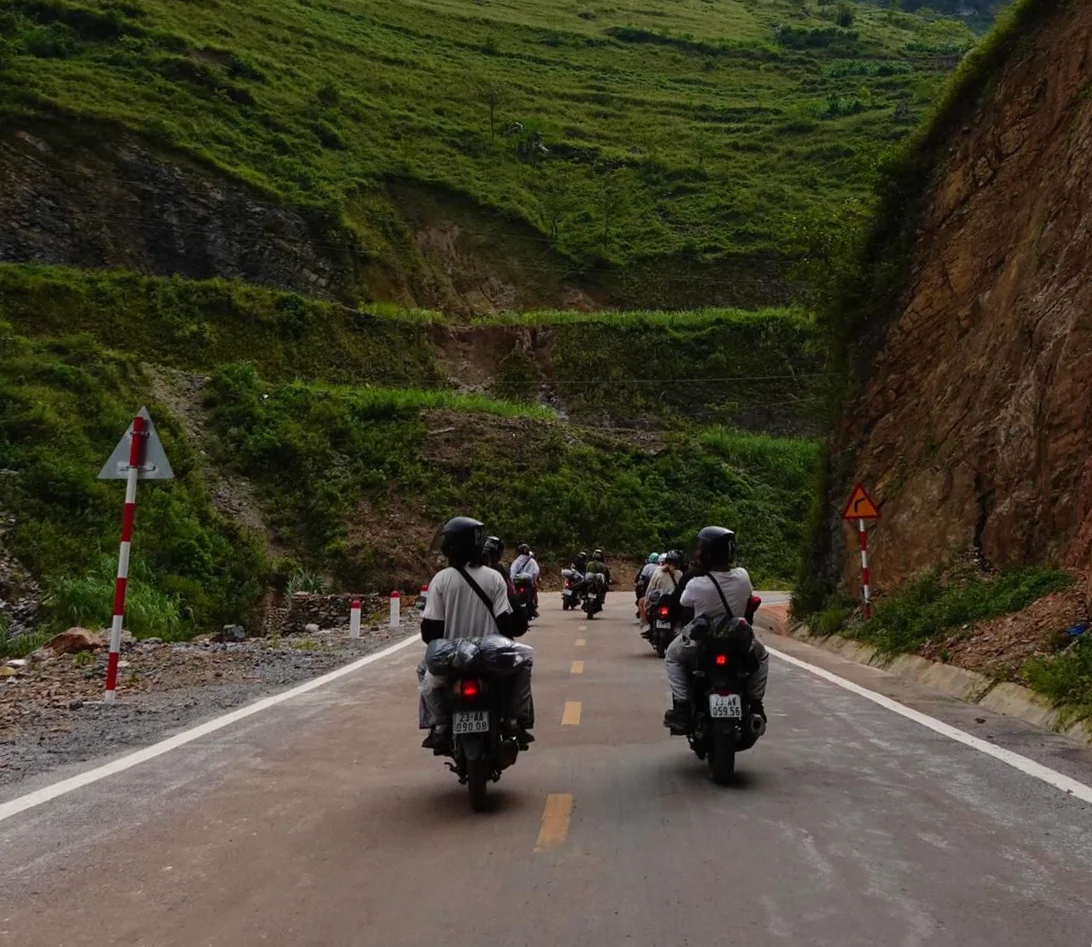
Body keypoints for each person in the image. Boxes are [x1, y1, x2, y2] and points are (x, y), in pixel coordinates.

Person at [419, 517, 535, 752]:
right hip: (490, 659)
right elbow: (505, 625)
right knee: (525, 663)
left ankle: (439, 725)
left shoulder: (440, 580)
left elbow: (431, 632)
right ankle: (514, 721)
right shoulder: (494, 578)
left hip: (451, 659)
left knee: (423, 671)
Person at [662, 527, 768, 731]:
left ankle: (683, 706)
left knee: (673, 657)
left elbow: (684, 602)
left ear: (705, 554)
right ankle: (756, 704)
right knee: (762, 656)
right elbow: (748, 598)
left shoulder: (696, 584)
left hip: (702, 640)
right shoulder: (743, 576)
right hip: (738, 637)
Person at [640, 549, 682, 632]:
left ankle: (646, 625)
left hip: (658, 602)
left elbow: (651, 587)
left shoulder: (658, 570)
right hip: (673, 603)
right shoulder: (680, 574)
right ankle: (678, 626)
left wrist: (647, 601)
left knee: (641, 602)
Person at [509, 543, 540, 618]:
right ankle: (532, 607)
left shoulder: (516, 561)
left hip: (517, 584)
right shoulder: (532, 561)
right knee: (532, 593)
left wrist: (514, 580)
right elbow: (536, 571)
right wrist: (533, 579)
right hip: (528, 584)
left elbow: (512, 573)